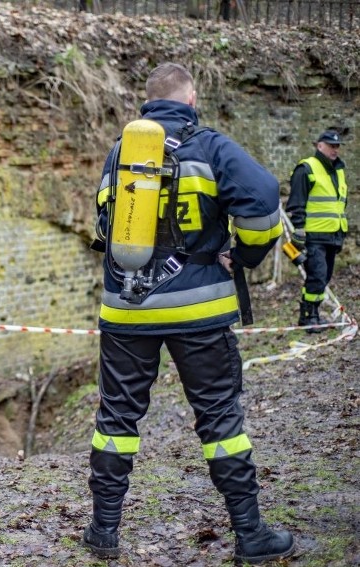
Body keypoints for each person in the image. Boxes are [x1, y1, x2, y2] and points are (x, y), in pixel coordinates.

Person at [85, 63, 295, 564]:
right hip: (199, 309)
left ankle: (103, 533)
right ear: (191, 98)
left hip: (127, 310)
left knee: (115, 419)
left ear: (147, 103)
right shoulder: (211, 147)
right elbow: (264, 201)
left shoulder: (121, 153)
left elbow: (102, 219)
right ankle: (250, 535)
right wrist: (242, 255)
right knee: (221, 420)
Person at [285, 129, 348, 333]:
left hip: (332, 234)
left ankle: (314, 313)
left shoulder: (338, 170)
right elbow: (297, 202)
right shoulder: (306, 168)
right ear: (319, 145)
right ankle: (308, 317)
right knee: (317, 275)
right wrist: (299, 230)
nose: (335, 149)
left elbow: (339, 203)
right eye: (331, 145)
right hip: (313, 236)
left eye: (337, 146)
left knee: (324, 276)